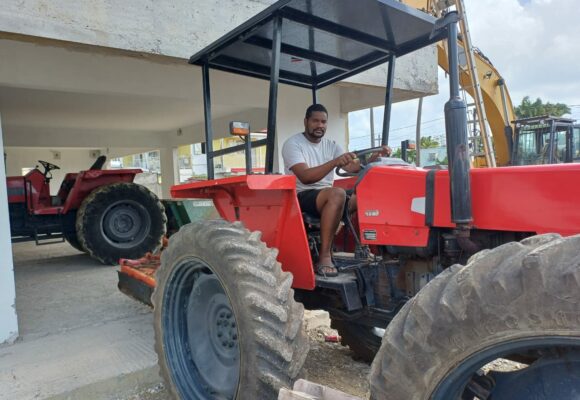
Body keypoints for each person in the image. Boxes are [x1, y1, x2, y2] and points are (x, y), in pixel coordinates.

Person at [282, 104, 391, 277]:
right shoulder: (293, 144)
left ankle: (363, 247)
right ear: (306, 121)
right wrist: (334, 162)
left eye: (323, 122)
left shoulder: (331, 145)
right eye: (315, 121)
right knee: (337, 193)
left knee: (365, 195)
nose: (320, 125)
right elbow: (306, 177)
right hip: (302, 196)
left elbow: (351, 166)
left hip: (326, 195)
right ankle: (325, 256)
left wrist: (374, 158)